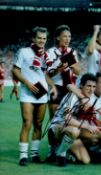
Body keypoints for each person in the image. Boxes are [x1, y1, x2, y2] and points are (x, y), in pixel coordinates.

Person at [12, 26, 57, 166]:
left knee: (38, 124)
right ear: (33, 38)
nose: (42, 41)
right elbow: (15, 70)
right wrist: (27, 83)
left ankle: (35, 154)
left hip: (42, 93)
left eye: (44, 38)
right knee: (27, 122)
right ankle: (23, 156)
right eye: (39, 38)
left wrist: (53, 86)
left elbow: (45, 74)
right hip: (27, 92)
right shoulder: (23, 52)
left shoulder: (46, 55)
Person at [48, 73, 101, 166]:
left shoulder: (91, 98)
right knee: (74, 130)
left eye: (94, 86)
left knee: (85, 160)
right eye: (88, 86)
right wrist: (87, 126)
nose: (91, 89)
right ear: (81, 85)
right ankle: (59, 154)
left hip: (75, 131)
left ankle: (65, 152)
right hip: (57, 129)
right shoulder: (71, 96)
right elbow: (67, 118)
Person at [46, 25, 81, 160]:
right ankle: (52, 149)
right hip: (57, 87)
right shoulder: (51, 52)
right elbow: (49, 73)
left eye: (69, 36)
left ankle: (63, 150)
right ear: (57, 37)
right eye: (65, 36)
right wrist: (59, 68)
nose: (67, 39)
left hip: (71, 87)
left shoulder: (72, 51)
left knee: (69, 119)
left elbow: (78, 70)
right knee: (54, 120)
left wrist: (70, 63)